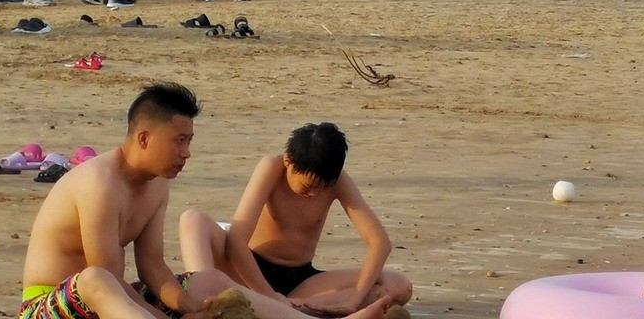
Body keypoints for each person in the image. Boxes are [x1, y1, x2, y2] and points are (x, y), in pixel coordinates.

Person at [19, 82, 392, 319]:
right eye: (179, 141)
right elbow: (108, 282)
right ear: (144, 138)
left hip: (113, 303)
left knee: (206, 280)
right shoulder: (99, 185)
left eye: (189, 141)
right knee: (96, 278)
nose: (187, 153)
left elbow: (152, 267)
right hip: (50, 305)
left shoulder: (156, 185)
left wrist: (194, 307)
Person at [179, 122, 412, 314]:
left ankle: (288, 310)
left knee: (398, 285)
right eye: (308, 187)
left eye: (323, 187)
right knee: (193, 219)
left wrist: (353, 298)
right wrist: (268, 295)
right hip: (249, 268)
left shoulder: (338, 181)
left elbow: (379, 243)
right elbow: (237, 241)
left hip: (300, 282)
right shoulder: (272, 167)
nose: (315, 194)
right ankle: (203, 303)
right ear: (288, 162)